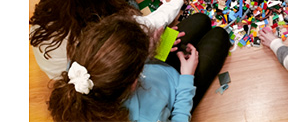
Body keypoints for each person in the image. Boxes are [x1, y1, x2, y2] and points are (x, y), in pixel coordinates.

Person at [29, 0, 195, 79]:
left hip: (71, 61)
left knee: (128, 0)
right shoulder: (103, 30)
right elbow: (152, 24)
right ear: (99, 5)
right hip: (91, 74)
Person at [47, 13, 230, 121]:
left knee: (201, 20)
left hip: (159, 70)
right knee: (220, 36)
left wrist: (151, 49)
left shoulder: (80, 69)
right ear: (134, 82)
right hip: (180, 89)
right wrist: (187, 78)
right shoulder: (144, 117)